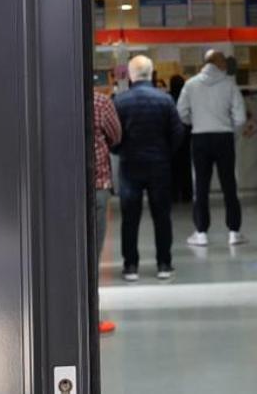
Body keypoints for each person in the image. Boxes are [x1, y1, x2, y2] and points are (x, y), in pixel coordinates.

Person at [113, 55, 184, 282]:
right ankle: (164, 264)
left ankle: (130, 266)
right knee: (162, 216)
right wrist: (165, 153)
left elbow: (113, 136)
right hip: (159, 166)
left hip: (130, 166)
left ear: (131, 75)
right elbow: (178, 132)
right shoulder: (165, 100)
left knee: (129, 218)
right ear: (151, 73)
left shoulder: (121, 101)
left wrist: (121, 151)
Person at [178, 50, 248, 247]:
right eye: (224, 62)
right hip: (224, 138)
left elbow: (181, 112)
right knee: (229, 185)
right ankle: (234, 232)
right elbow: (241, 118)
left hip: (199, 138)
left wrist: (196, 123)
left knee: (200, 186)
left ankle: (201, 233)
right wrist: (231, 132)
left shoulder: (190, 84)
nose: (226, 65)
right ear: (218, 63)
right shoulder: (229, 85)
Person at [91, 90, 122, 332]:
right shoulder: (101, 101)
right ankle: (92, 318)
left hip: (59, 191)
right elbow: (116, 135)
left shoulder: (50, 98)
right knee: (92, 256)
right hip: (97, 185)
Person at [168, 74, 193, 203]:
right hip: (186, 135)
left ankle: (173, 195)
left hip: (171, 137)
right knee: (186, 165)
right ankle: (187, 194)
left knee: (173, 167)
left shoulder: (168, 99)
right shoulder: (187, 98)